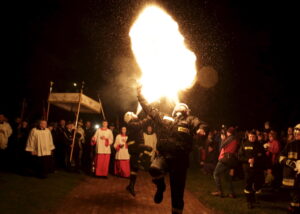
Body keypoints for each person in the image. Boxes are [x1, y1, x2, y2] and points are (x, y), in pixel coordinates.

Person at [137, 87, 206, 214]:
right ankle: (161, 186)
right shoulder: (165, 118)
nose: (180, 107)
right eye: (179, 106)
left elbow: (199, 123)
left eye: (183, 107)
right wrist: (140, 95)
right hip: (164, 156)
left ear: (186, 111)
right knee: (154, 169)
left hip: (180, 160)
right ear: (174, 110)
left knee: (177, 192)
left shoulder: (189, 120)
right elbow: (150, 110)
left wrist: (201, 129)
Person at [124, 111, 153, 197]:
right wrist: (150, 117)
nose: (135, 114)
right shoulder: (132, 124)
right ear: (130, 117)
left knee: (134, 168)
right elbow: (141, 124)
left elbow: (140, 122)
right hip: (135, 147)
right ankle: (143, 163)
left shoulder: (134, 123)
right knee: (148, 149)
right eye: (133, 114)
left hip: (136, 148)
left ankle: (131, 186)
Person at [238, 131, 269, 209]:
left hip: (257, 169)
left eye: (253, 137)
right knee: (248, 185)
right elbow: (239, 157)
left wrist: (265, 167)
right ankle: (249, 201)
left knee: (257, 185)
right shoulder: (244, 144)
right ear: (248, 137)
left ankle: (255, 199)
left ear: (256, 137)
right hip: (247, 169)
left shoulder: (259, 145)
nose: (252, 138)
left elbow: (264, 157)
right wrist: (247, 160)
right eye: (250, 137)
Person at [211, 127, 239, 198]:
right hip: (231, 160)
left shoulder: (229, 139)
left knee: (215, 174)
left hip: (225, 159)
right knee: (228, 177)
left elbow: (221, 146)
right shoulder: (235, 139)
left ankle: (219, 191)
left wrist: (223, 139)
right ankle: (231, 193)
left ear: (229, 132)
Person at [279, 123, 300, 214]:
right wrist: (290, 162)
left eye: (299, 133)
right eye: (296, 133)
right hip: (292, 173)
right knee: (294, 191)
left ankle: (294, 207)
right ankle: (294, 206)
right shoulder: (290, 144)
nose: (296, 135)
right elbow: (281, 157)